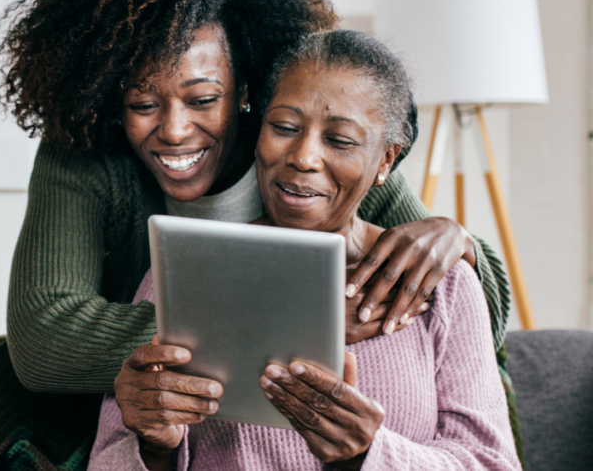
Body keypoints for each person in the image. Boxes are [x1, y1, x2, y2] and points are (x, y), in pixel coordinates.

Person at [0, 0, 511, 398]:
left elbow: (478, 319)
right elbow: (44, 342)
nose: (174, 130)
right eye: (143, 104)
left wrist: (458, 242)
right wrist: (295, 322)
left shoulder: (311, 152)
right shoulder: (85, 151)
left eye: (203, 100)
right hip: (154, 421)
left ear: (245, 90)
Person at [90, 30, 521, 471]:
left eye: (339, 141)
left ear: (386, 161)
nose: (303, 157)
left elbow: (492, 464)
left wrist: (369, 456)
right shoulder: (182, 269)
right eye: (284, 128)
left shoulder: (444, 285)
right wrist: (153, 449)